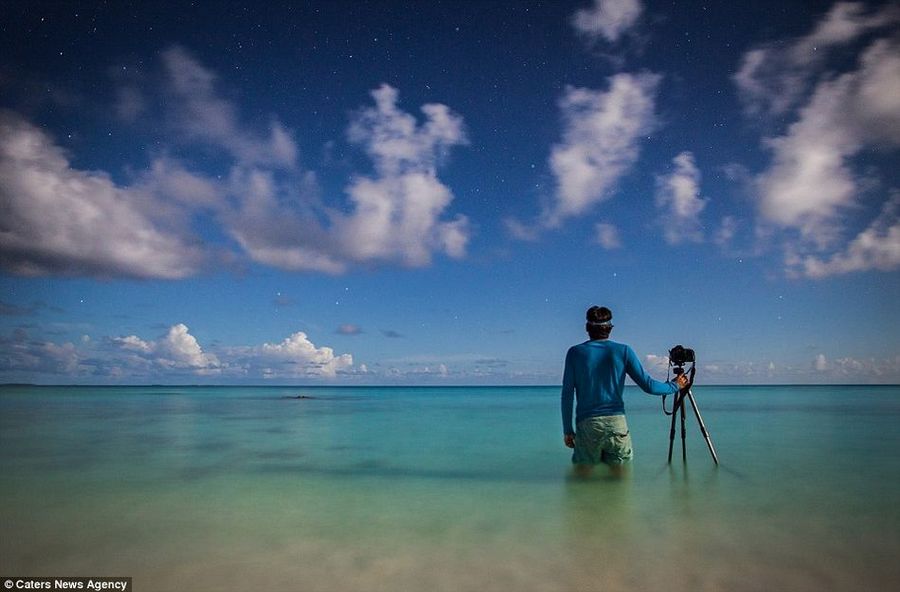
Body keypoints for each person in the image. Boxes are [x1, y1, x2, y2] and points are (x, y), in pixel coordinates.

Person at [561, 305, 688, 477]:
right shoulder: (623, 351)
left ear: (587, 328)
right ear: (610, 328)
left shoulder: (574, 353)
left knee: (583, 480)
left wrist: (568, 430)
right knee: (619, 481)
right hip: (616, 425)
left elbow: (567, 394)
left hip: (587, 426)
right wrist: (675, 386)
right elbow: (649, 385)